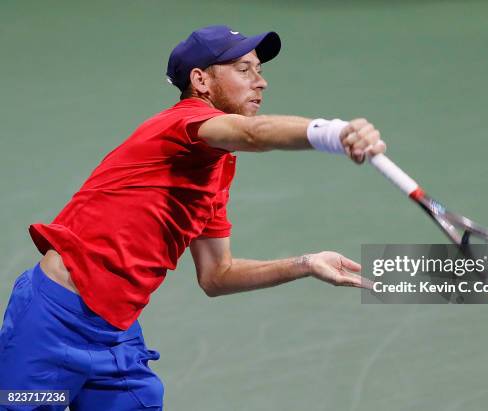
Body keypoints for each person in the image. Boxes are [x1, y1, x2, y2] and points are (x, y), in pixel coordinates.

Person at [0, 25, 385, 410]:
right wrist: (334, 133)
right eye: (244, 69)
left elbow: (217, 275)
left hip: (114, 331)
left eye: (260, 70)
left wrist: (306, 264)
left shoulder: (215, 171)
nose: (261, 82)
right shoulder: (181, 122)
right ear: (200, 80)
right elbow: (252, 134)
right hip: (51, 322)